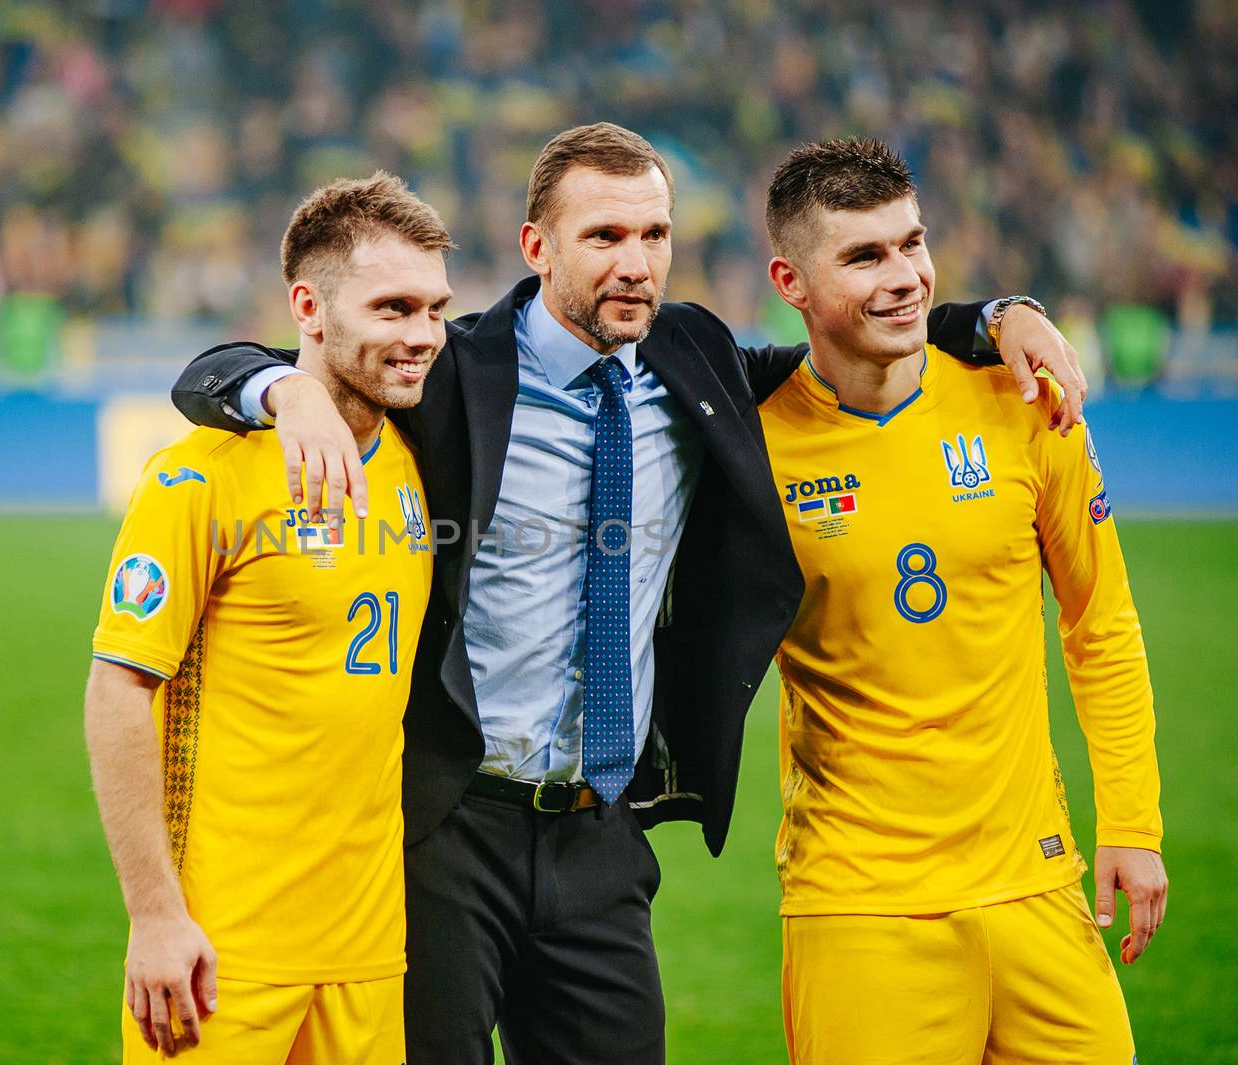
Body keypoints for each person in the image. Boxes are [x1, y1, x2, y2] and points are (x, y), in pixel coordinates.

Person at [170, 123, 1084, 1065]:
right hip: (450, 832)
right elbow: (210, 371)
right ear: (538, 247)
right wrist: (284, 388)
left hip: (601, 835)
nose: (637, 263)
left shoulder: (698, 360)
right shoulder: (454, 370)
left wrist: (995, 315)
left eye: (655, 235)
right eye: (605, 237)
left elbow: (846, 334)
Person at [758, 138, 1166, 1064]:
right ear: (792, 279)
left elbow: (1100, 625)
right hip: (859, 904)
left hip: (1036, 886)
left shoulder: (1026, 401)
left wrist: (1133, 825)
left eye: (913, 243)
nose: (904, 277)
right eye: (864, 256)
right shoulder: (749, 440)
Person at [83, 172, 452, 1064]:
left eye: (437, 308)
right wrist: (156, 916)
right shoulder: (201, 475)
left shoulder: (422, 453)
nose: (423, 336)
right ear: (308, 307)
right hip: (222, 952)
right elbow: (118, 690)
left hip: (368, 953)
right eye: (394, 307)